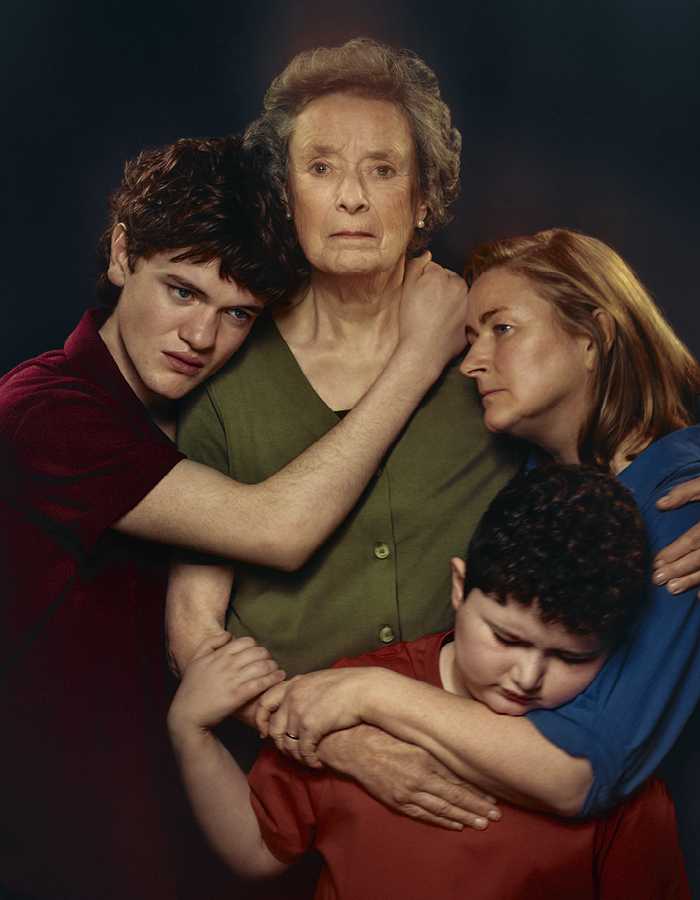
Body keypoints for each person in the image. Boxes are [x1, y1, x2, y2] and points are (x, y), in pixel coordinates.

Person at [170, 36, 700, 839]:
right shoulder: (223, 373)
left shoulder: (493, 375)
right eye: (321, 169)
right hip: (308, 798)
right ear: (284, 195)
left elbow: (617, 451)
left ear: (424, 199)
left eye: (382, 170)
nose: (352, 198)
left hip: (499, 806)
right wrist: (342, 741)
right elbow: (193, 631)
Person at [0, 135, 470, 900]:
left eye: (237, 314)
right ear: (122, 255)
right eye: (182, 291)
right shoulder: (42, 413)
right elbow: (275, 530)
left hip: (189, 840)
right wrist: (417, 358)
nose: (200, 338)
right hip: (56, 855)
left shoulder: (196, 423)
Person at [261, 228, 700, 892]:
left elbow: (577, 773)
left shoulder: (680, 494)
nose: (472, 362)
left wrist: (363, 692)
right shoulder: (524, 479)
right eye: (470, 339)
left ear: (592, 337)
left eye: (502, 329)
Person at [169, 464, 690, 899]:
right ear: (461, 588)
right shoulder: (344, 694)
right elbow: (259, 851)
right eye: (506, 639)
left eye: (570, 657)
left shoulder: (616, 754)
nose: (528, 677)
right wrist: (191, 733)